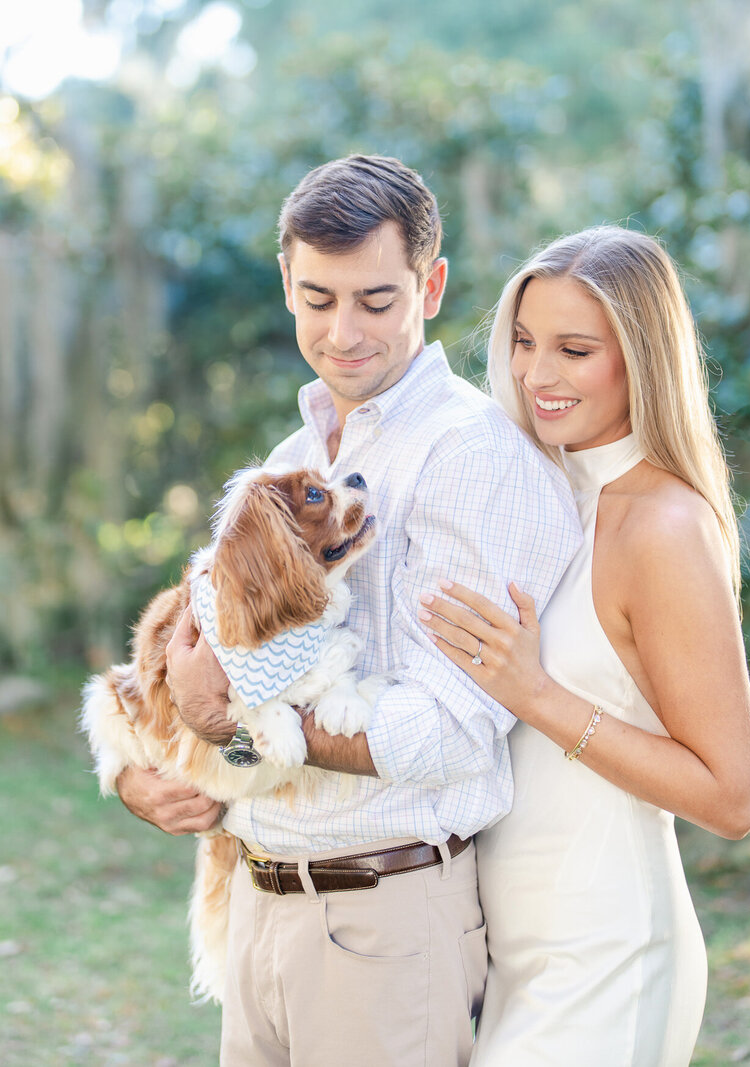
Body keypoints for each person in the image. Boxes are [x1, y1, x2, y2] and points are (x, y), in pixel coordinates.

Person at [115, 155, 582, 1066]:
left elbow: (449, 730)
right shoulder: (294, 458)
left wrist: (230, 719)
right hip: (254, 900)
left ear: (431, 286)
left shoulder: (471, 456)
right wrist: (152, 766)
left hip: (383, 923)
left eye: (376, 299)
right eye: (318, 298)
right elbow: (197, 663)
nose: (344, 331)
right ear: (286, 285)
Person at [418, 225, 750, 1066]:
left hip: (609, 952)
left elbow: (731, 797)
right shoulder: (535, 491)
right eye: (526, 342)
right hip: (508, 948)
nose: (539, 375)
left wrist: (537, 693)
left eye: (575, 349)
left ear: (641, 358)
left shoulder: (665, 526)